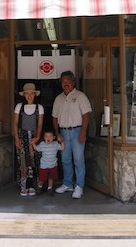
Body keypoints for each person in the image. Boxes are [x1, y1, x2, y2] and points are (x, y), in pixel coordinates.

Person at [52, 70, 92, 199]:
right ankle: (68, 184)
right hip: (64, 132)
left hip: (77, 131)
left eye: (68, 81)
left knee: (78, 160)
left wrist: (83, 132)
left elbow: (86, 115)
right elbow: (54, 118)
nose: (65, 83)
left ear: (73, 82)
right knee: (65, 160)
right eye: (63, 81)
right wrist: (57, 133)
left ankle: (79, 186)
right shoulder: (59, 98)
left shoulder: (80, 96)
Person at [14, 83, 44, 196]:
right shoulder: (19, 106)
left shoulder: (39, 107)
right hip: (23, 136)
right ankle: (23, 185)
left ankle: (32, 185)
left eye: (32, 93)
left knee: (34, 161)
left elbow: (40, 124)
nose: (30, 96)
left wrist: (37, 137)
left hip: (35, 136)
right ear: (24, 95)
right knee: (23, 161)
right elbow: (16, 123)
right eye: (27, 94)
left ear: (35, 95)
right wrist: (16, 138)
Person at [31, 129, 64, 196]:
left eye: (50, 136)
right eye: (46, 136)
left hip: (53, 165)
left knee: (51, 177)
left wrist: (62, 142)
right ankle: (39, 187)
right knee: (42, 178)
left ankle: (50, 188)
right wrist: (33, 143)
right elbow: (37, 149)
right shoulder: (42, 144)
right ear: (43, 137)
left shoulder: (55, 144)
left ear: (54, 137)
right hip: (44, 165)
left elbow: (62, 148)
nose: (48, 138)